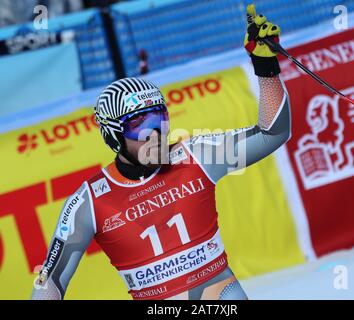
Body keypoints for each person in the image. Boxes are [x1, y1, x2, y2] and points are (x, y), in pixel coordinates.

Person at [31, 5, 291, 300]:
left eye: (160, 119)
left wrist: (265, 67)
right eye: (140, 126)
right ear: (114, 136)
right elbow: (49, 279)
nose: (155, 134)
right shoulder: (88, 201)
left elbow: (272, 133)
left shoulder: (196, 155)